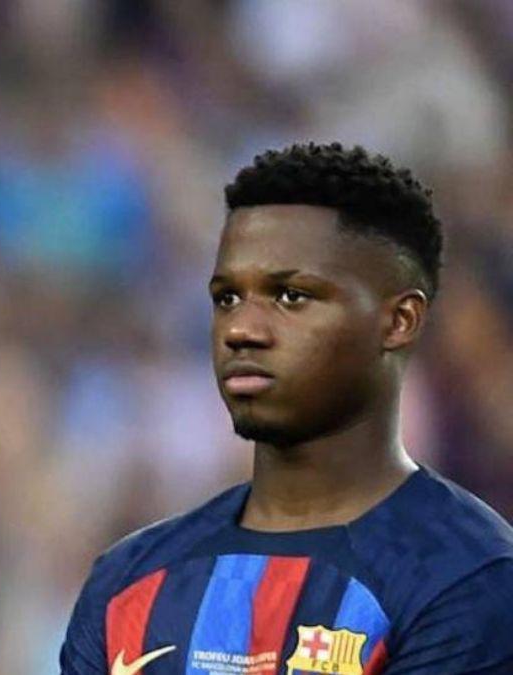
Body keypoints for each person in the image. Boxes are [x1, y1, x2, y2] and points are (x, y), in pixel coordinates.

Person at [60, 143, 513, 674]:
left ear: (399, 321)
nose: (240, 329)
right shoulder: (127, 582)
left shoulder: (469, 580)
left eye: (291, 296)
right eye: (227, 298)